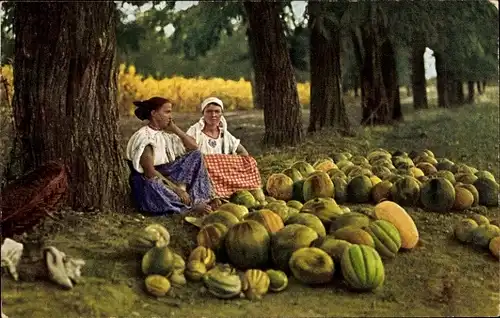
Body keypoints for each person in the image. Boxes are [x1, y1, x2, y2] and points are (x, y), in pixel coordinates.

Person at [125, 96, 216, 215]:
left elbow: (194, 147)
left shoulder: (165, 135)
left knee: (196, 155)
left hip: (167, 175)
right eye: (167, 112)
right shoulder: (145, 137)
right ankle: (186, 209)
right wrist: (177, 190)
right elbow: (150, 173)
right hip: (149, 180)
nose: (170, 116)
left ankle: (199, 200)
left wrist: (175, 128)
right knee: (152, 186)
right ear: (154, 114)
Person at [185, 97, 262, 199]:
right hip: (204, 171)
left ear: (221, 114)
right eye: (209, 111)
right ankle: (212, 195)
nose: (213, 115)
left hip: (222, 173)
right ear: (203, 113)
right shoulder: (194, 131)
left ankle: (236, 190)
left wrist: (231, 163)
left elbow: (242, 151)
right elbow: (187, 154)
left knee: (250, 161)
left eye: (217, 111)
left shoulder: (224, 134)